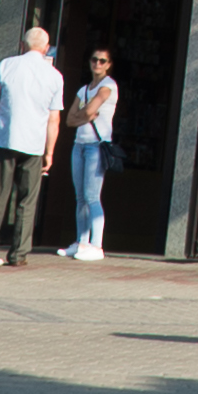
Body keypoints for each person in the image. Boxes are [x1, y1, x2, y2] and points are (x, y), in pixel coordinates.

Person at [0, 25, 64, 268]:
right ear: (46, 48)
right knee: (27, 201)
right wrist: (50, 152)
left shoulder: (7, 65)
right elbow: (54, 119)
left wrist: (2, 113)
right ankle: (19, 254)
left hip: (6, 139)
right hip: (34, 144)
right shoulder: (55, 76)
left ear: (22, 45)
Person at [64, 45, 119, 260]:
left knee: (92, 196)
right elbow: (70, 120)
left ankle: (97, 246)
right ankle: (82, 242)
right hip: (79, 144)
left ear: (108, 65)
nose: (97, 63)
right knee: (80, 196)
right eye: (94, 59)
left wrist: (84, 114)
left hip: (96, 145)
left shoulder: (108, 86)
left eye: (102, 61)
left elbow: (88, 109)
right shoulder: (84, 89)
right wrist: (85, 116)